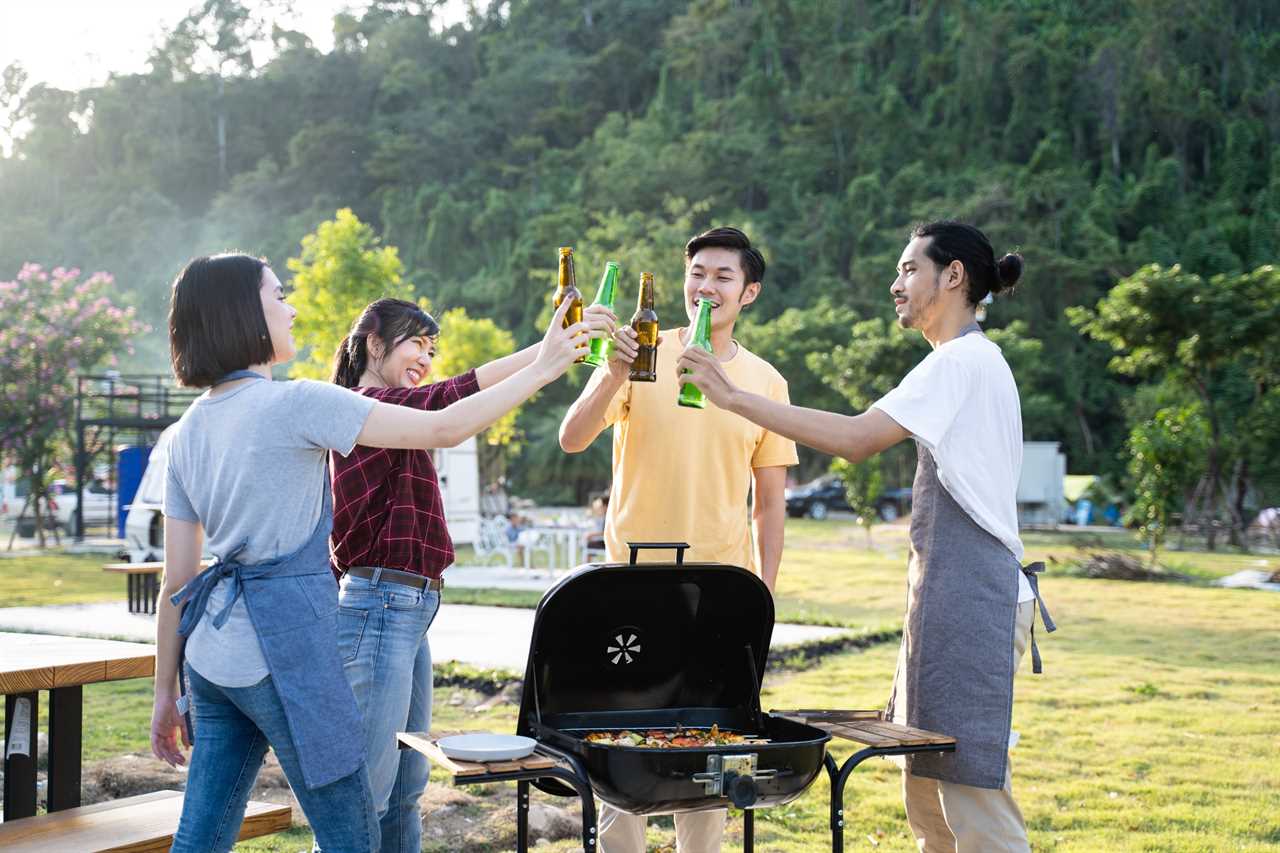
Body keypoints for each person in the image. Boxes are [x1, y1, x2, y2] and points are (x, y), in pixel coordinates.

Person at [150, 253, 590, 853]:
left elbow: (177, 581)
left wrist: (161, 695)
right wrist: (546, 369)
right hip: (281, 653)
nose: (293, 307)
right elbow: (443, 425)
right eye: (279, 296)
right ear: (243, 313)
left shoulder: (186, 432)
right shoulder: (298, 403)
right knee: (352, 829)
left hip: (210, 658)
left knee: (202, 836)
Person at [676, 220, 1056, 852]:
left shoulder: (962, 362)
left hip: (975, 603)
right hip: (947, 600)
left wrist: (731, 396)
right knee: (929, 790)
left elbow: (856, 439)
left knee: (971, 795)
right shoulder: (957, 362)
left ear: (953, 276)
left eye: (910, 269)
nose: (895, 284)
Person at [326, 297, 613, 853]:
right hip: (378, 605)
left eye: (432, 351)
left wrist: (553, 345)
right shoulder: (361, 407)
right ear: (373, 343)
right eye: (417, 345)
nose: (426, 360)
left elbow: (457, 389)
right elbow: (445, 418)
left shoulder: (396, 405)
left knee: (406, 787)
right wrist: (545, 366)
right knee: (364, 797)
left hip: (406, 610)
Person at [559, 226, 798, 853]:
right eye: (697, 274)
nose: (706, 287)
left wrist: (763, 597)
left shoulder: (765, 382)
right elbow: (573, 437)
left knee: (712, 749)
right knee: (618, 740)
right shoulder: (640, 352)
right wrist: (611, 374)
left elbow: (770, 502)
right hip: (629, 584)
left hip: (720, 589)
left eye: (723, 277)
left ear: (749, 293)